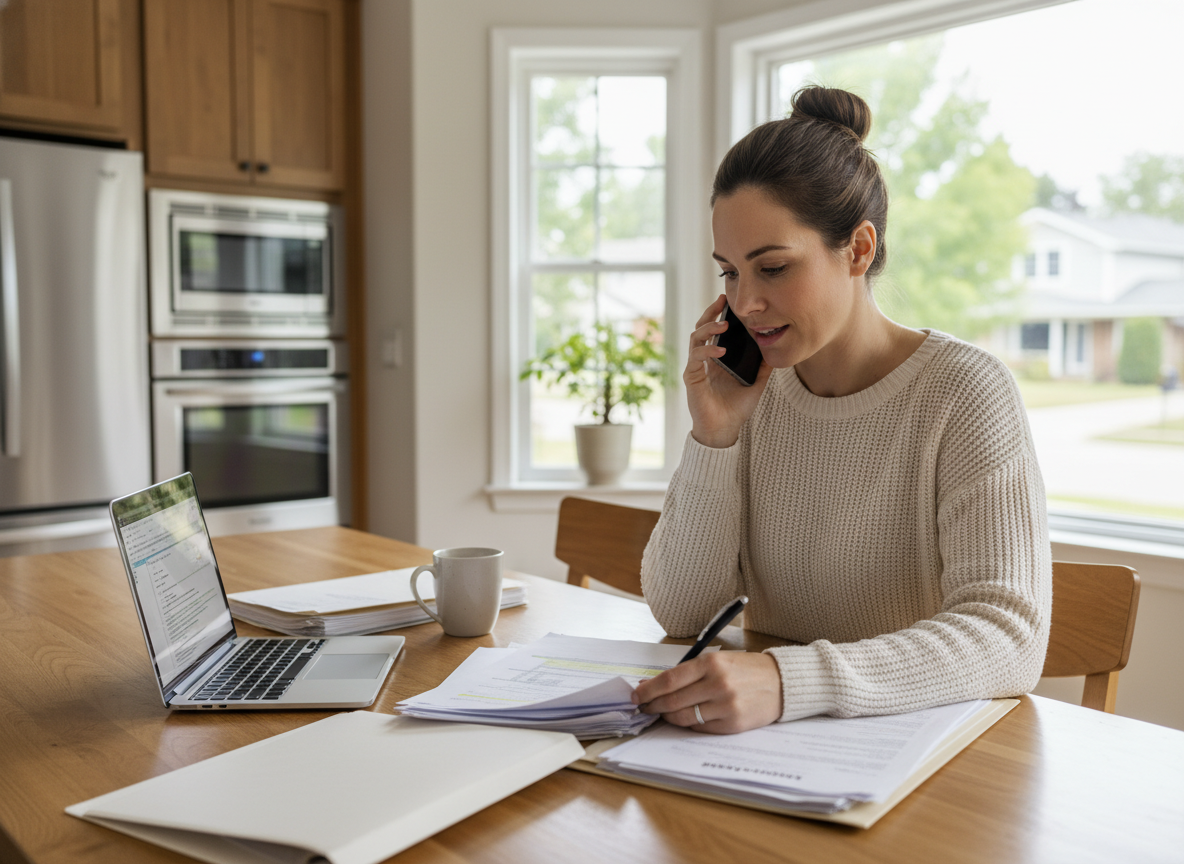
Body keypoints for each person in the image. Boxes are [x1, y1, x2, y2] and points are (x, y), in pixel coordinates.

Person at [631, 86, 1052, 734]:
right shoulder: (750, 396)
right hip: (772, 748)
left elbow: (1007, 636)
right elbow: (682, 614)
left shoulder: (964, 394)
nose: (744, 304)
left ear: (857, 249)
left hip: (917, 756)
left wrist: (787, 680)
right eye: (729, 273)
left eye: (771, 268)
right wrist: (714, 437)